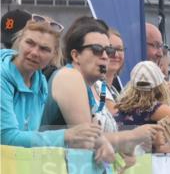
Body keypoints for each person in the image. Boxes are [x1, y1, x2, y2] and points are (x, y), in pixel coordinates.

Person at [44, 16, 154, 164]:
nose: (105, 56)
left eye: (108, 50)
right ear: (75, 55)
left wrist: (123, 148)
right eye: (96, 50)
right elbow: (85, 141)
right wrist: (132, 136)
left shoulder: (90, 86)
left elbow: (97, 141)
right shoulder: (69, 76)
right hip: (50, 171)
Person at [1, 19, 102, 150]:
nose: (34, 52)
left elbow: (30, 135)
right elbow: (6, 138)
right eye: (30, 43)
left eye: (44, 49)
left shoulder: (40, 81)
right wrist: (66, 135)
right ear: (19, 41)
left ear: (54, 55)